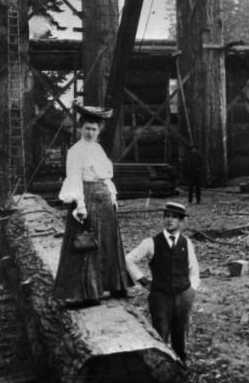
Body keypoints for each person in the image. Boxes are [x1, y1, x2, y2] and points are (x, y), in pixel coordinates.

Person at [53, 104, 132, 306]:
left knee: (108, 241)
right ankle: (83, 293)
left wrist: (112, 197)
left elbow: (106, 177)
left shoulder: (98, 148)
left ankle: (114, 285)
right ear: (80, 129)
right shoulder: (75, 151)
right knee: (85, 243)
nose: (90, 132)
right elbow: (74, 178)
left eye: (94, 129)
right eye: (87, 128)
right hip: (86, 198)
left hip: (104, 200)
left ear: (99, 131)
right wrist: (80, 205)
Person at [125, 202, 201, 365]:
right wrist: (144, 282)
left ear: (181, 221)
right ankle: (161, 368)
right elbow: (129, 260)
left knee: (180, 334)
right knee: (160, 335)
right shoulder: (151, 243)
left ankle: (181, 365)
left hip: (183, 296)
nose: (169, 220)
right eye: (166, 216)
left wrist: (192, 290)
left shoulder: (186, 243)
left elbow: (194, 270)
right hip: (160, 297)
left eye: (174, 217)